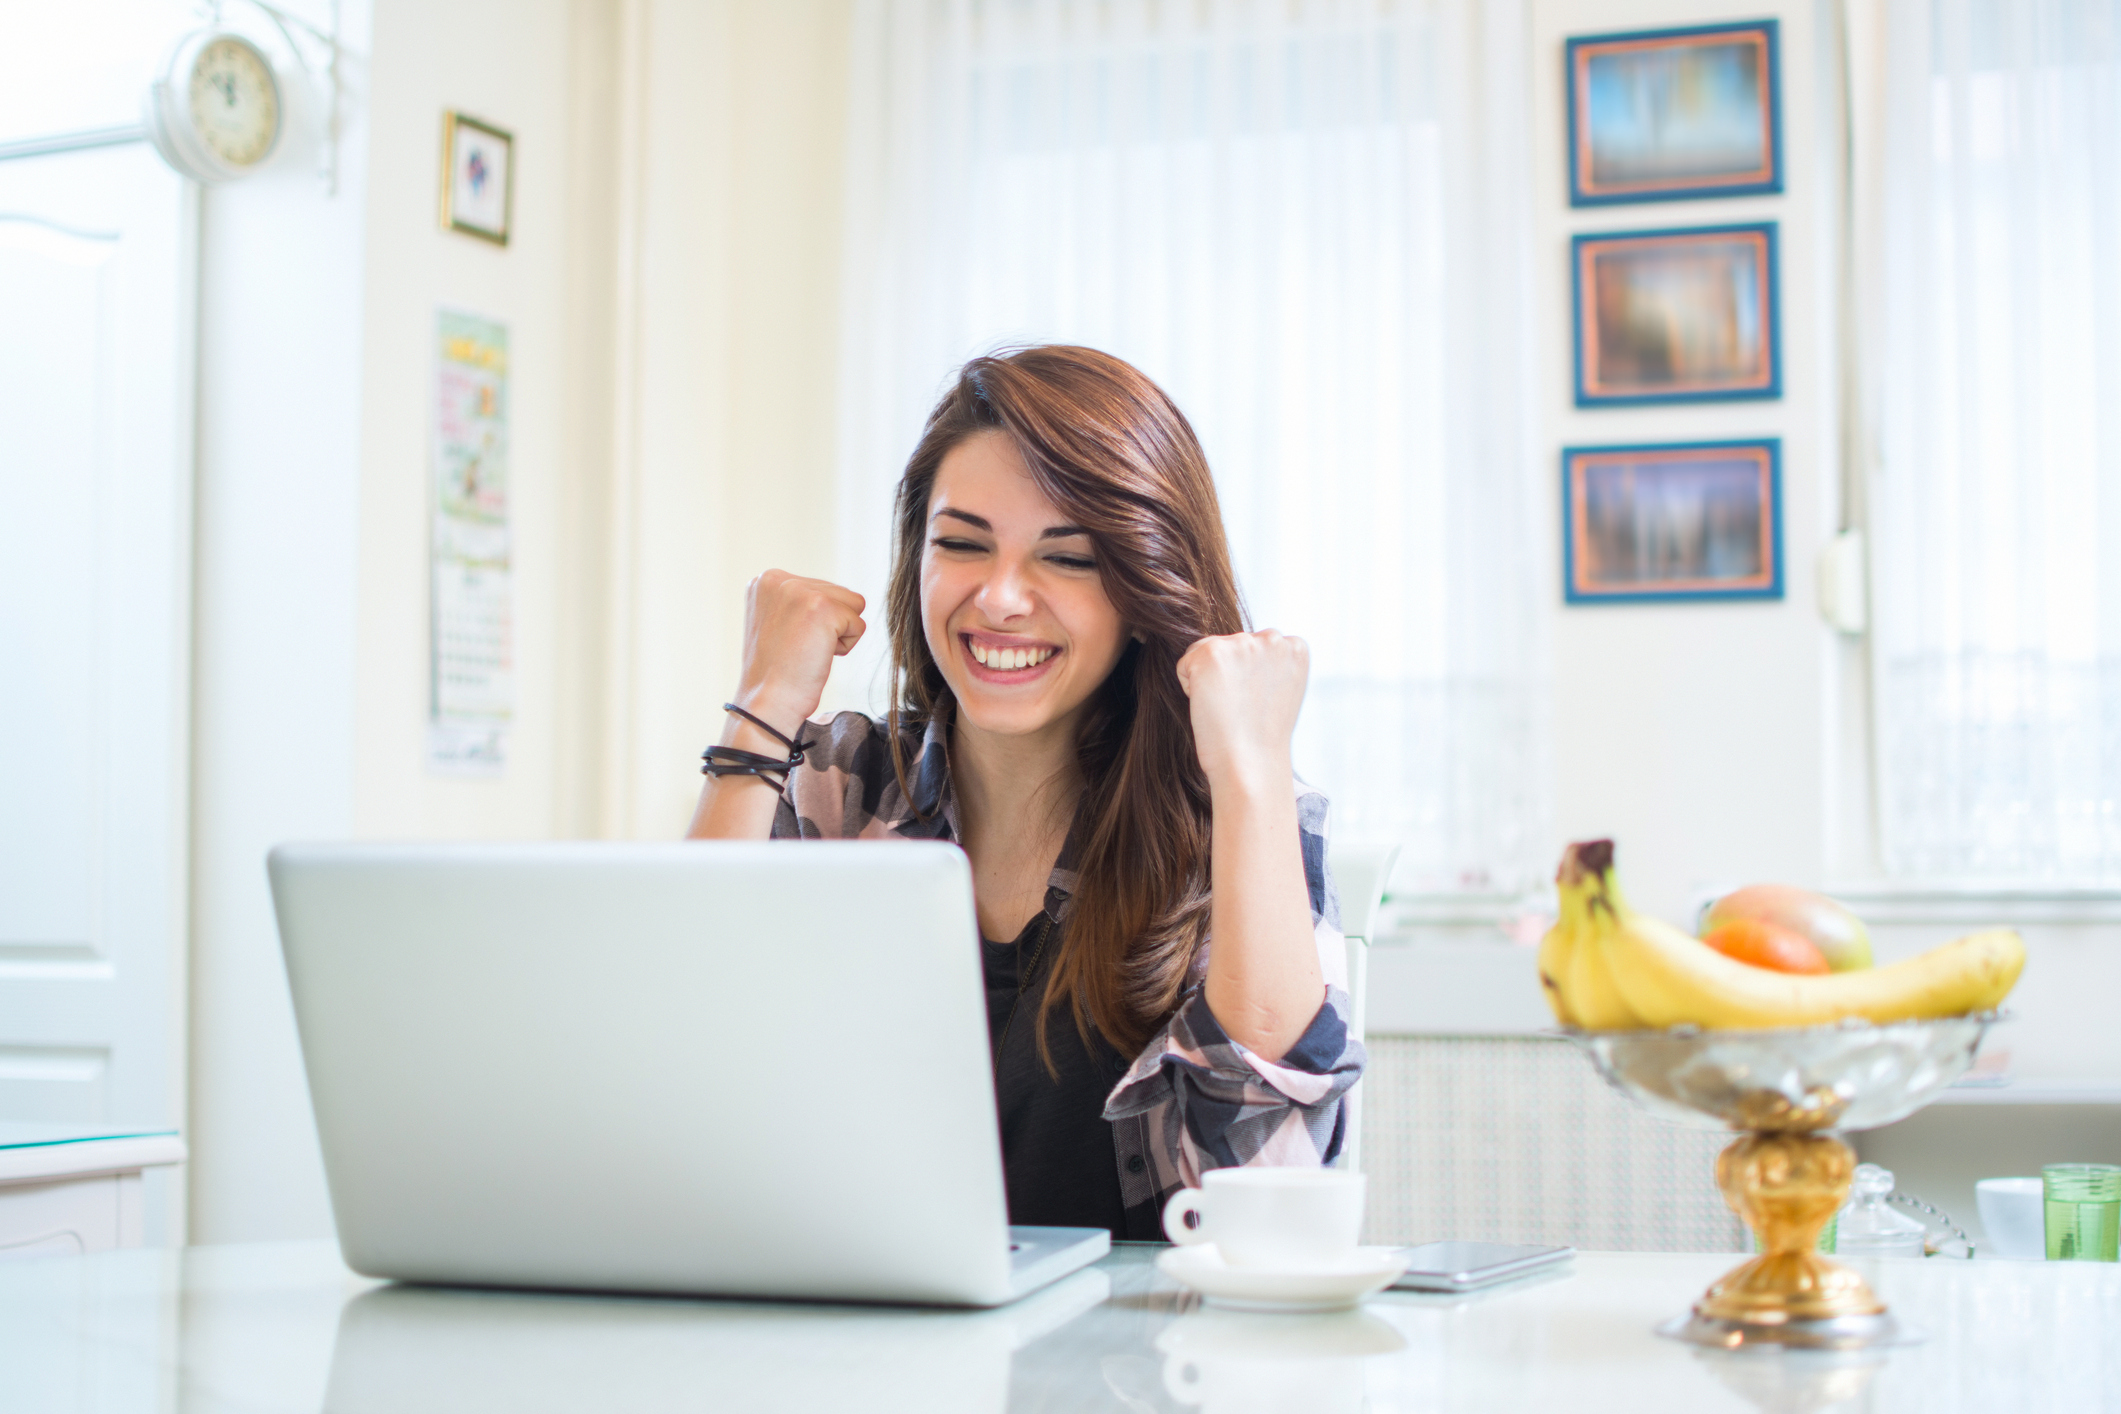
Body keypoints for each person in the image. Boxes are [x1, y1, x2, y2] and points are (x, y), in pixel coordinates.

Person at [686, 345, 1362, 1240]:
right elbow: (679, 1073)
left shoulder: (1233, 819)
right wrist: (763, 708)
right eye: (961, 545)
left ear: (1142, 584)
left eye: (1069, 559)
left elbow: (1269, 1189)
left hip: (1149, 1370)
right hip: (860, 1350)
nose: (1000, 599)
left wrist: (1249, 775)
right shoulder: (839, 788)